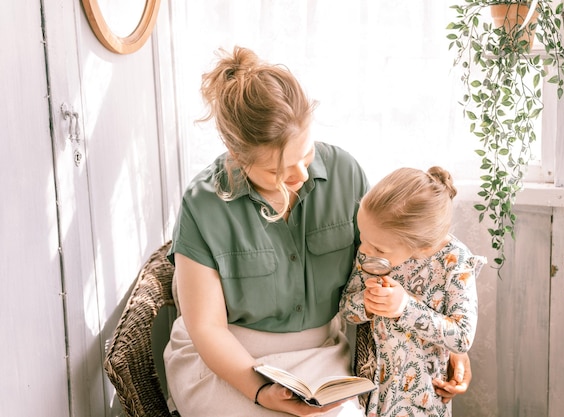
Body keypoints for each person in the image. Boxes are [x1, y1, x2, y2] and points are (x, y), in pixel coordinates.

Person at [163, 46, 472, 417]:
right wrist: (259, 389)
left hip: (322, 357)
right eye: (280, 172)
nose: (302, 176)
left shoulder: (345, 173)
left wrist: (452, 345)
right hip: (225, 361)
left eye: (306, 156)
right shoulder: (203, 204)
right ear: (236, 153)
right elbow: (207, 328)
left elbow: (398, 260)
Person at [340, 167, 486, 417]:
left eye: (377, 247)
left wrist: (405, 308)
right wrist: (366, 303)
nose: (364, 249)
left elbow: (462, 338)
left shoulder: (454, 262)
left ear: (420, 244)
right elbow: (346, 310)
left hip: (424, 402)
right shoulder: (373, 250)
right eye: (362, 236)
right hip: (370, 398)